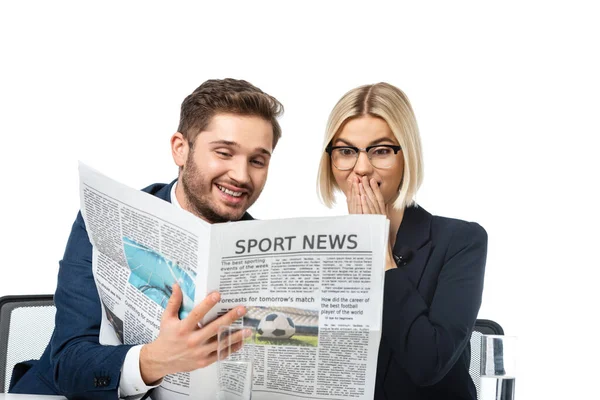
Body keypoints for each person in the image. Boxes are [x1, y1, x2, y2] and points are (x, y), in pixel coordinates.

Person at [10, 78, 284, 399]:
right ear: (180, 149)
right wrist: (154, 360)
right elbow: (67, 361)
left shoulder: (267, 249)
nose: (241, 175)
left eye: (257, 160)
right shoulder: (105, 217)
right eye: (224, 153)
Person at [317, 82, 487, 400]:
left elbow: (428, 364)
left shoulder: (461, 242)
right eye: (346, 151)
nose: (362, 168)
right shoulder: (317, 247)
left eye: (381, 151)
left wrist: (378, 252)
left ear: (406, 156)